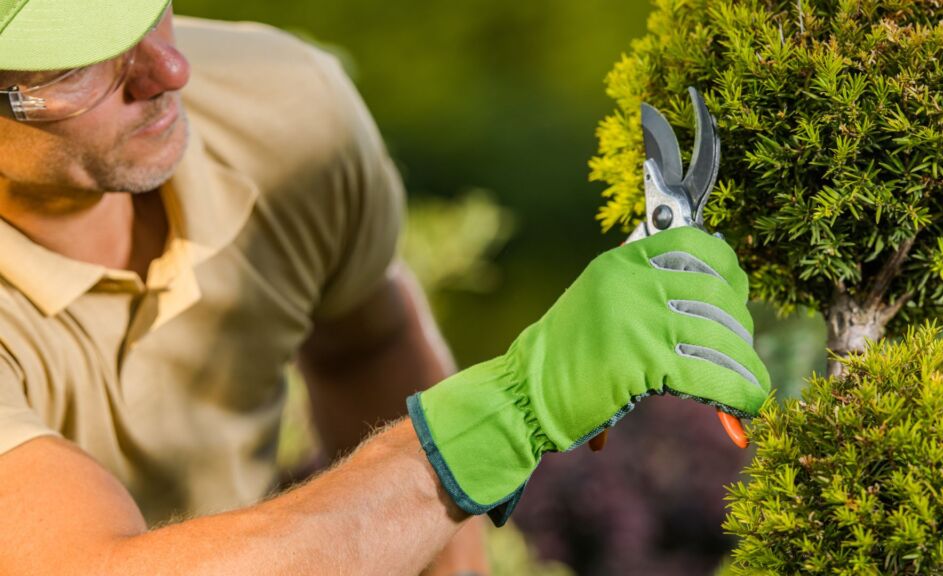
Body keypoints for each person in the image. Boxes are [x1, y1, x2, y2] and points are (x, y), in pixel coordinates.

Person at [0, 1, 770, 574]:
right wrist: (505, 416)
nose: (169, 72)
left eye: (149, 10)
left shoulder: (281, 110)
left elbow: (368, 347)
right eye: (78, 66)